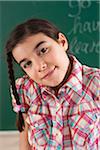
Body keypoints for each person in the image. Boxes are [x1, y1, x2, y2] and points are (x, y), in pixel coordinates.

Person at [5, 18, 100, 150]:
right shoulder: (24, 88)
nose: (40, 66)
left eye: (43, 50)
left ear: (62, 42)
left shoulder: (96, 83)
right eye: (28, 64)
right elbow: (25, 134)